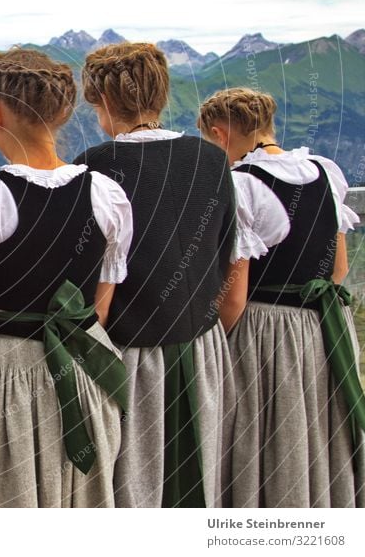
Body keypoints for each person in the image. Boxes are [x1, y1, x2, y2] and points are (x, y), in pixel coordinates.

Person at [0, 49, 133, 507]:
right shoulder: (107, 195)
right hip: (87, 364)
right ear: (64, 112)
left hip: (5, 373)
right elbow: (99, 308)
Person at [74, 42, 237, 508]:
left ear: (103, 101)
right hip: (202, 348)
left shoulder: (94, 166)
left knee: (131, 489)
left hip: (128, 358)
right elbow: (225, 252)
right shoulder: (211, 160)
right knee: (198, 481)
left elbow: (87, 270)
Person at [198, 86, 365, 507]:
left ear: (220, 134)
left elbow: (234, 295)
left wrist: (214, 342)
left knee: (266, 437)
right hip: (328, 327)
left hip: (268, 330)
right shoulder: (325, 171)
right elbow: (338, 269)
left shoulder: (241, 184)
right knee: (322, 433)